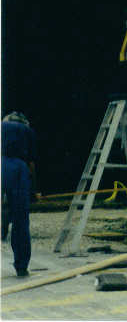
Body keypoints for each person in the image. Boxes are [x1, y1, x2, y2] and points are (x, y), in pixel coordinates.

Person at [2, 112, 38, 277]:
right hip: (18, 169)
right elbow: (31, 163)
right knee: (21, 220)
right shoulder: (27, 130)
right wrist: (33, 191)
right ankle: (21, 266)